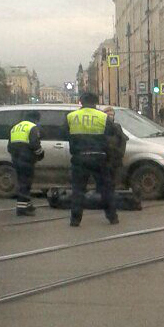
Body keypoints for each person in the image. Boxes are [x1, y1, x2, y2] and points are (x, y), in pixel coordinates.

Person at [62, 92, 119, 227]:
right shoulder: (103, 117)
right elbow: (113, 133)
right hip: (99, 157)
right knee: (105, 189)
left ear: (81, 101)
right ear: (95, 102)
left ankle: (75, 220)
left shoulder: (71, 116)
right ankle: (112, 217)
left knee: (78, 190)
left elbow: (63, 134)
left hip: (79, 158)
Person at [7, 110, 44, 216]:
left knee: (22, 181)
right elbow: (35, 144)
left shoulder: (15, 127)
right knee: (25, 183)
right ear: (36, 119)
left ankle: (27, 204)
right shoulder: (32, 127)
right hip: (27, 159)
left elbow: (9, 147)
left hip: (16, 159)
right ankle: (22, 209)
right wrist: (41, 154)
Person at [103, 106, 129, 192]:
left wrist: (120, 152)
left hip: (116, 158)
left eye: (112, 114)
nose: (110, 116)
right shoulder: (102, 126)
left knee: (116, 180)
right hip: (105, 158)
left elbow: (123, 139)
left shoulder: (117, 126)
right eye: (108, 114)